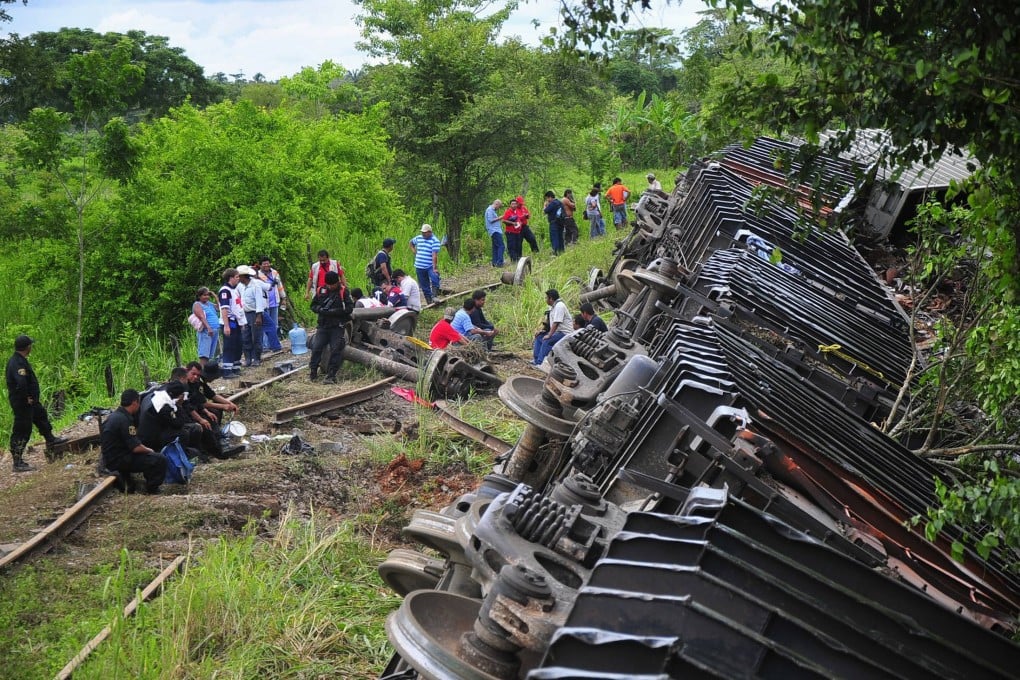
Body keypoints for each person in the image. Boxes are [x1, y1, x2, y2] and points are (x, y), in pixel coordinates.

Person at [5, 335, 67, 472]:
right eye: (30, 345)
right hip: (23, 404)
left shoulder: (20, 360)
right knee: (22, 430)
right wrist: (26, 397)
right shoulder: (17, 363)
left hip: (31, 402)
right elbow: (20, 383)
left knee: (41, 416)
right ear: (27, 347)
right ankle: (17, 461)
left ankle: (50, 439)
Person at [100, 389, 167, 494]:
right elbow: (136, 447)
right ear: (135, 402)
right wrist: (150, 450)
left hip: (110, 458)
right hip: (119, 460)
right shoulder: (125, 420)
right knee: (158, 459)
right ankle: (152, 489)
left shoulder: (114, 416)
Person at [309, 271, 354, 384]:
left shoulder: (343, 291)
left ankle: (331, 375)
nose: (330, 287)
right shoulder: (321, 290)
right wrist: (320, 310)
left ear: (337, 282)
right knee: (316, 347)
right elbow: (313, 305)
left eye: (332, 285)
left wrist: (335, 312)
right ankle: (313, 371)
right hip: (323, 326)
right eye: (328, 285)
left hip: (337, 326)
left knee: (336, 349)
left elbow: (349, 308)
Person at [137, 378, 202, 456]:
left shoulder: (155, 395)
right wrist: (179, 406)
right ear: (179, 396)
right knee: (183, 433)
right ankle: (181, 455)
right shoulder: (164, 406)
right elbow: (179, 423)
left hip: (146, 433)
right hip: (153, 439)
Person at [239, 265, 270, 367]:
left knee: (256, 336)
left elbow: (259, 301)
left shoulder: (255, 285)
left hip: (254, 313)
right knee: (245, 336)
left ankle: (257, 358)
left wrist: (259, 316)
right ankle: (248, 359)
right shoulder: (241, 286)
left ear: (244, 276)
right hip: (244, 314)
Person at [217, 267, 246, 378]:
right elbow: (224, 309)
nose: (238, 279)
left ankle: (235, 367)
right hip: (229, 321)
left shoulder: (233, 290)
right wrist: (227, 326)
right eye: (237, 277)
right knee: (229, 345)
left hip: (236, 321)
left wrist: (241, 322)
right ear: (231, 278)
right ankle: (227, 370)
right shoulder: (225, 291)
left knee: (238, 344)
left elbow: (237, 307)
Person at [533, 289, 570, 366]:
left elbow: (556, 323)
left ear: (551, 298)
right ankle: (536, 360)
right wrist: (542, 331)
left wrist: (549, 335)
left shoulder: (560, 306)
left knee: (547, 340)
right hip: (556, 332)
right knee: (539, 337)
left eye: (546, 298)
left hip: (564, 333)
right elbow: (550, 323)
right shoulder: (552, 307)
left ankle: (540, 363)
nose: (545, 299)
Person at [258, 256, 286, 352]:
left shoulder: (274, 273)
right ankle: (265, 346)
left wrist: (283, 298)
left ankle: (273, 344)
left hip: (275, 301)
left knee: (275, 324)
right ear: (260, 265)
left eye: (267, 263)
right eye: (264, 263)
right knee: (266, 325)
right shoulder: (257, 275)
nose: (266, 265)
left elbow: (279, 286)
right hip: (264, 303)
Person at [409, 224, 441, 304]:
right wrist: (414, 251)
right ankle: (429, 301)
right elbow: (411, 242)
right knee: (424, 285)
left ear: (430, 232)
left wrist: (435, 267)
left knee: (435, 278)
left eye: (425, 232)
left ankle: (434, 296)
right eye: (422, 232)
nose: (423, 234)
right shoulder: (418, 238)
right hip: (419, 265)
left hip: (429, 265)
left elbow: (434, 255)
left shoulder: (435, 241)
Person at [191, 287, 221, 364]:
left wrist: (214, 296)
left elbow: (219, 308)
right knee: (204, 354)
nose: (207, 297)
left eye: (208, 295)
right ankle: (202, 372)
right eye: (204, 295)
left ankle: (206, 373)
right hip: (206, 331)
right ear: (199, 296)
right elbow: (201, 317)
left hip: (215, 330)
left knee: (210, 354)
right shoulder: (197, 304)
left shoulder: (210, 304)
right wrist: (208, 328)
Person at [543, 190, 566, 255]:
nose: (547, 200)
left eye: (547, 198)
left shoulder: (552, 203)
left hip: (554, 223)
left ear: (550, 197)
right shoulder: (559, 202)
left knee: (554, 237)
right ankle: (562, 251)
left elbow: (545, 211)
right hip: (561, 222)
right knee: (560, 237)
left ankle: (555, 251)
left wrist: (545, 205)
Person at [484, 199, 505, 267]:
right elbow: (490, 220)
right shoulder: (490, 210)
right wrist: (500, 217)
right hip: (494, 231)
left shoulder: (492, 210)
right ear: (497, 204)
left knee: (496, 247)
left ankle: (495, 262)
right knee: (501, 246)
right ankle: (499, 263)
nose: (499, 208)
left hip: (495, 230)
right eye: (499, 206)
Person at [502, 198, 524, 262]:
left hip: (517, 232)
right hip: (510, 232)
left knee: (518, 246)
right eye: (512, 204)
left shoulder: (517, 211)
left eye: (515, 204)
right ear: (510, 205)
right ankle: (514, 260)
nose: (514, 205)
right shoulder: (508, 212)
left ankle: (518, 259)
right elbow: (503, 220)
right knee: (512, 246)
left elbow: (519, 219)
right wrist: (512, 223)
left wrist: (520, 223)